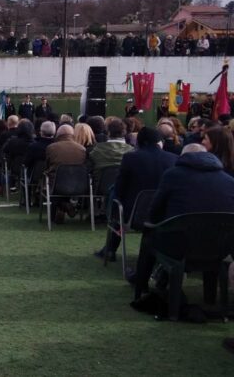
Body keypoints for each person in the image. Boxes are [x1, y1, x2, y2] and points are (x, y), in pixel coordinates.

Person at [132, 143, 234, 302]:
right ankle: (208, 296)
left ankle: (142, 282)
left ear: (183, 157)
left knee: (150, 233)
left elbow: (155, 211)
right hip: (220, 247)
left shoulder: (173, 175)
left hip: (179, 245)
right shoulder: (229, 180)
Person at [95, 127, 176, 263]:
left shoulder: (130, 158)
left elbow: (120, 188)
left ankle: (110, 249)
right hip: (163, 216)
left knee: (116, 200)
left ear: (140, 142)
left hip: (133, 214)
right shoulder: (173, 159)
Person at [45, 124, 87, 223]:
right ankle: (65, 205)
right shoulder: (82, 149)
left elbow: (47, 166)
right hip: (78, 185)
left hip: (55, 185)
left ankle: (62, 205)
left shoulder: (51, 148)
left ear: (58, 135)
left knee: (52, 182)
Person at [88, 118, 132, 189]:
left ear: (108, 132)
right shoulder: (132, 152)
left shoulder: (96, 150)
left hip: (100, 188)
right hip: (125, 189)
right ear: (124, 132)